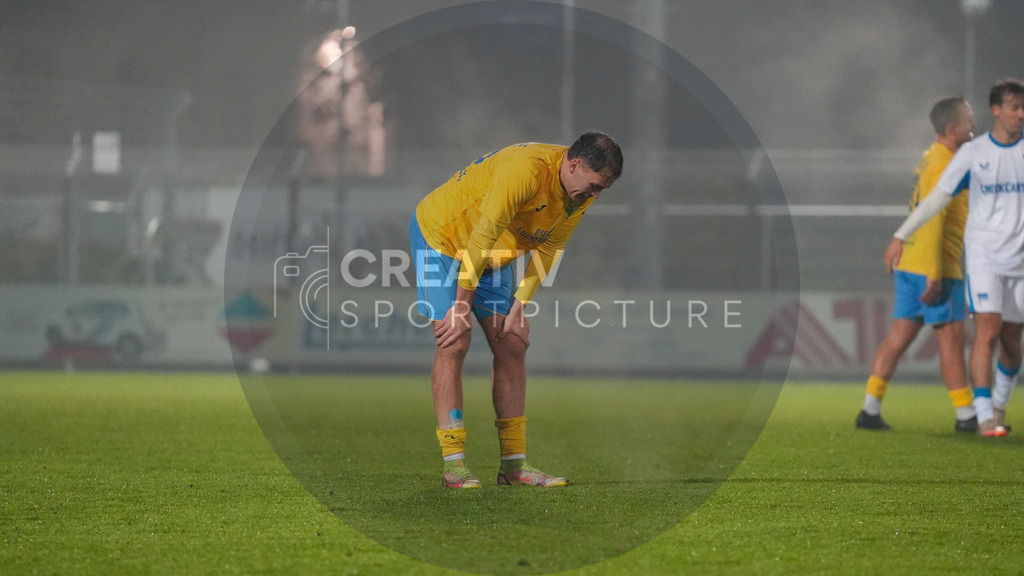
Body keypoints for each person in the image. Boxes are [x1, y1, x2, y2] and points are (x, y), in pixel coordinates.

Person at [409, 132, 622, 488]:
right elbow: (482, 235)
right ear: (574, 165)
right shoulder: (524, 171)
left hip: (492, 252)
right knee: (454, 340)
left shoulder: (579, 192)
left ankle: (514, 466)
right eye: (596, 186)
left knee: (512, 343)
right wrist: (461, 306)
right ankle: (454, 464)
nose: (597, 195)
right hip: (443, 238)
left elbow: (550, 248)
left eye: (603, 189)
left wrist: (520, 306)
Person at [885, 78, 1024, 437]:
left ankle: (998, 406)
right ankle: (983, 417)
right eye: (1015, 107)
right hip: (984, 258)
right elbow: (936, 199)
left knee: (1012, 341)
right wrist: (901, 234)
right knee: (987, 330)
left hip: (1020, 262)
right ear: (996, 110)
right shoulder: (973, 154)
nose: (1021, 114)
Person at [856, 97, 976, 432]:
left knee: (899, 338)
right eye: (968, 120)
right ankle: (966, 416)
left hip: (911, 262)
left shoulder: (930, 157)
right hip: (934, 265)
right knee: (951, 339)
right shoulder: (945, 164)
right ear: (951, 128)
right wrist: (935, 274)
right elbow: (934, 220)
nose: (973, 125)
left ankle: (869, 410)